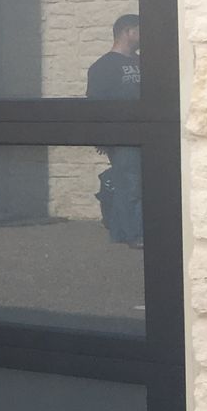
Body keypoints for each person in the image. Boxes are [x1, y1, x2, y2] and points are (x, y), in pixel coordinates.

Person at [86, 13, 143, 248]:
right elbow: (95, 105)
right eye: (140, 30)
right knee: (130, 184)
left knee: (135, 183)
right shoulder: (102, 67)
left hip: (145, 132)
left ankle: (120, 231)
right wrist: (100, 137)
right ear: (128, 32)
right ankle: (134, 235)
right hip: (121, 136)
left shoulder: (143, 62)